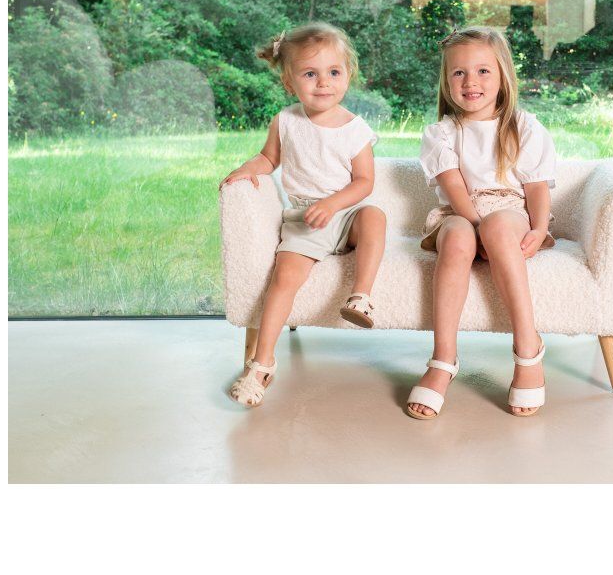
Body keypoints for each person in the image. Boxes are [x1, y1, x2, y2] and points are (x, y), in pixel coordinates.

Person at [219, 23, 387, 408]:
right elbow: (268, 159)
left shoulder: (355, 129)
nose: (323, 82)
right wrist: (246, 169)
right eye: (310, 74)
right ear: (289, 81)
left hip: (345, 214)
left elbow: (364, 182)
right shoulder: (286, 121)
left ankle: (360, 296)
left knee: (375, 216)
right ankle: (262, 364)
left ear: (348, 74)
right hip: (305, 219)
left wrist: (333, 204)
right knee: (284, 279)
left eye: (334, 72)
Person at [407, 26, 557, 419]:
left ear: (503, 76)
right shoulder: (441, 134)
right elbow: (456, 190)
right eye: (458, 73)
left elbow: (537, 188)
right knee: (459, 236)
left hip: (509, 211)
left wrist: (539, 228)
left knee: (497, 226)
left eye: (483, 71)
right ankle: (443, 360)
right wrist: (476, 227)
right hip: (461, 213)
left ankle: (528, 350)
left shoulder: (524, 127)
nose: (470, 81)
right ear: (446, 81)